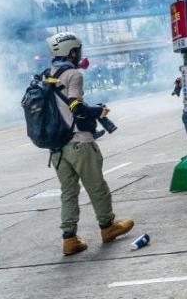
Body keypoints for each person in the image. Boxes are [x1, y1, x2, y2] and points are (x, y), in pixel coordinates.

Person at [46, 32, 134, 255]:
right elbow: (76, 107)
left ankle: (69, 238)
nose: (79, 54)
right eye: (78, 50)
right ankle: (108, 227)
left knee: (68, 192)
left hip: (56, 147)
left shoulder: (46, 75)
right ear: (72, 52)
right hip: (79, 142)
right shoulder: (73, 74)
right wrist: (99, 111)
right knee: (96, 186)